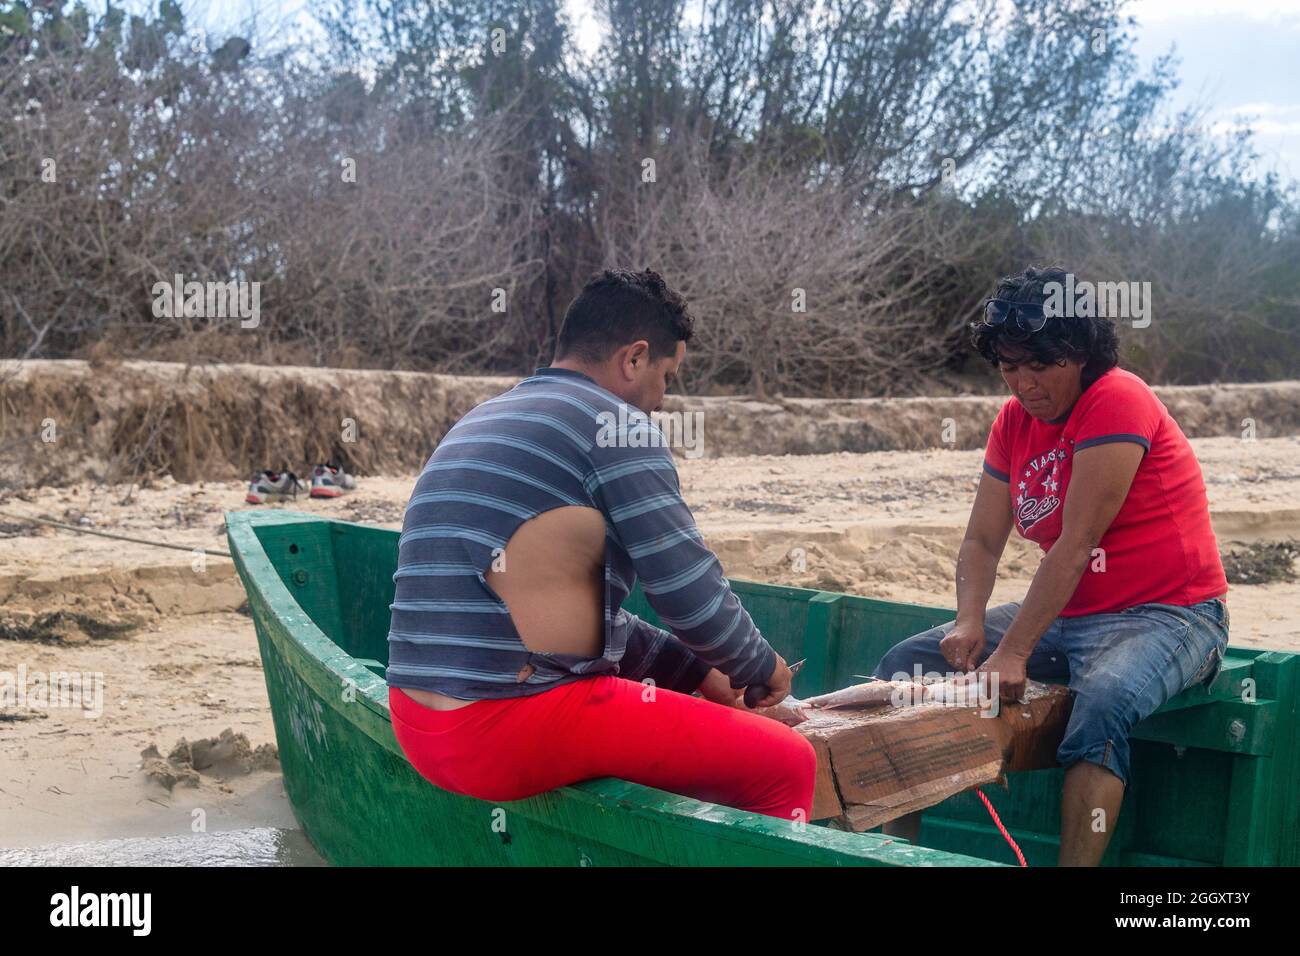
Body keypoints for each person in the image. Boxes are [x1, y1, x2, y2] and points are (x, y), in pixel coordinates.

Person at [385, 268, 815, 820]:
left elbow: (567, 616)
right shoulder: (619, 427)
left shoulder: (484, 417)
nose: (661, 400)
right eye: (667, 376)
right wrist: (762, 668)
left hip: (417, 722)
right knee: (787, 764)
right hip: (500, 727)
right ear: (633, 358)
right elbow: (688, 590)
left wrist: (699, 674)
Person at [874, 266, 1229, 866]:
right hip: (1073, 613)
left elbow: (1075, 541)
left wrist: (1010, 652)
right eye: (1010, 367)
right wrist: (969, 621)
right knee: (906, 665)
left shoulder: (1117, 399)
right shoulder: (1013, 422)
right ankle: (889, 855)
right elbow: (984, 539)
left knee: (1103, 705)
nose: (1024, 383)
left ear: (1081, 352)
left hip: (1173, 615)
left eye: (1040, 365)